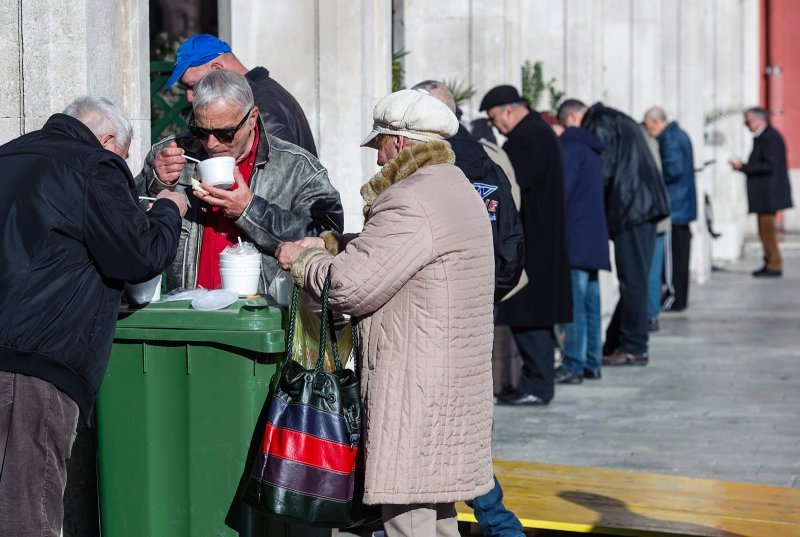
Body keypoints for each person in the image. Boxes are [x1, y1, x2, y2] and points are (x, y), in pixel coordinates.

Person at [275, 88, 495, 537]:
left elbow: (350, 287)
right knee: (436, 517)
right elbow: (403, 253)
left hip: (416, 389)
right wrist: (338, 245)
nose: (378, 160)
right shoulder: (453, 186)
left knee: (407, 521)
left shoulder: (409, 198)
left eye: (380, 145)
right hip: (447, 383)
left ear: (402, 142)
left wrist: (303, 261)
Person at [0, 96, 186, 536]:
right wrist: (166, 209)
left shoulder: (10, 155)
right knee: (29, 511)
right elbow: (140, 256)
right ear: (107, 141)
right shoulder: (95, 167)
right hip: (36, 365)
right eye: (122, 157)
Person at [414, 80, 525, 537]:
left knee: (443, 425)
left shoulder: (431, 168)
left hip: (435, 314)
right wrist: (484, 293)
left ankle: (499, 523)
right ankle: (496, 524)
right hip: (478, 308)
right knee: (463, 426)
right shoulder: (488, 157)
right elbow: (511, 244)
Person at [137, 70, 343, 293]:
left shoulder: (298, 167)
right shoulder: (171, 154)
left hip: (260, 316)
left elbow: (328, 240)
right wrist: (156, 183)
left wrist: (249, 210)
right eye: (201, 132)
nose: (212, 143)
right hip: (187, 314)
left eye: (225, 133)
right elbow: (122, 222)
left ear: (252, 118)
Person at [479, 85, 572, 406]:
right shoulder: (539, 132)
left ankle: (536, 385)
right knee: (533, 315)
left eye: (494, 119)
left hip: (534, 242)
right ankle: (536, 382)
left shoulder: (527, 138)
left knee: (529, 314)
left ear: (509, 110)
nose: (495, 127)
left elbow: (509, 184)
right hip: (541, 239)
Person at [558, 99, 670, 366]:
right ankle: (618, 341)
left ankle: (634, 346)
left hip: (633, 207)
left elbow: (601, 169)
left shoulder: (600, 123)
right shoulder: (614, 118)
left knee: (633, 280)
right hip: (641, 204)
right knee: (636, 278)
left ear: (573, 117)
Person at [163, 33, 317, 155]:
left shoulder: (261, 104)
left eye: (194, 86)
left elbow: (280, 170)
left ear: (218, 69)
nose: (190, 97)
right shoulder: (262, 94)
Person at [554, 105, 610, 384]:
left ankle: (574, 364)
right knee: (590, 303)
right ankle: (592, 361)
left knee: (574, 305)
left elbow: (562, 190)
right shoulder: (592, 148)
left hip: (575, 236)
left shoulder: (569, 146)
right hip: (593, 237)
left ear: (568, 119)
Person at [730, 107, 794, 277]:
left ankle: (774, 264)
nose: (746, 125)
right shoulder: (764, 137)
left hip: (769, 194)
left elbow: (771, 165)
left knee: (767, 231)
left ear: (759, 120)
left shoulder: (769, 137)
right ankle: (769, 262)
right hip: (765, 194)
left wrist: (744, 167)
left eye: (748, 121)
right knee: (764, 231)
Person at [644, 107, 697, 309]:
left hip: (675, 208)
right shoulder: (678, 134)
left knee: (673, 259)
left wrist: (652, 179)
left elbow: (673, 171)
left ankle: (673, 297)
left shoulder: (669, 138)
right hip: (682, 206)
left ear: (655, 122)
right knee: (679, 257)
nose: (648, 131)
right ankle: (677, 297)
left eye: (648, 125)